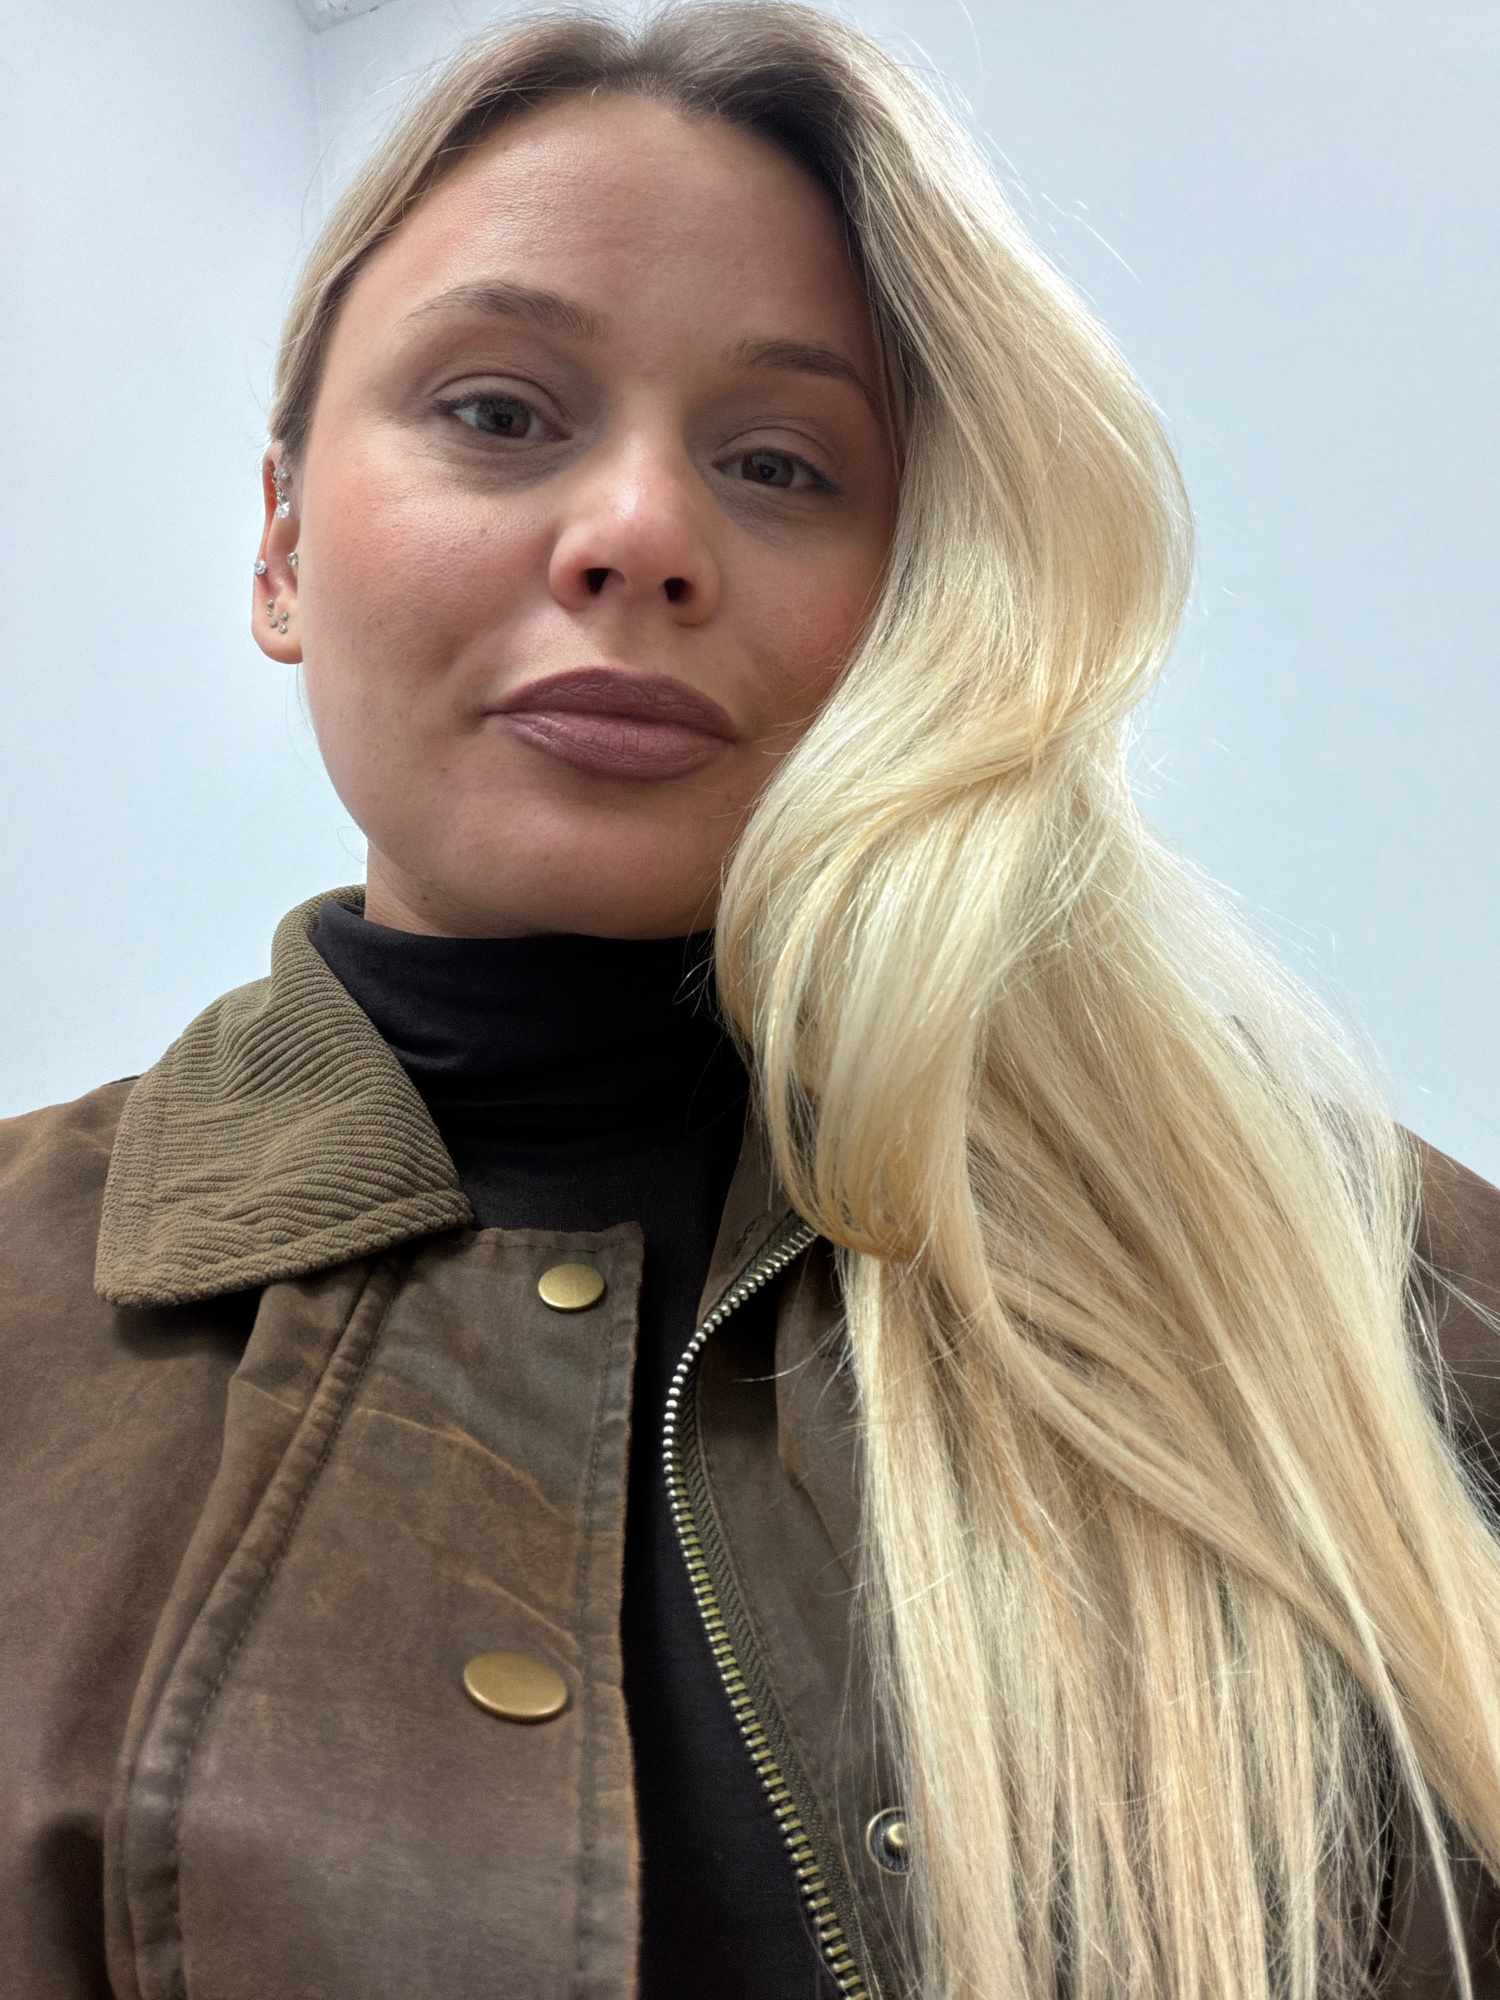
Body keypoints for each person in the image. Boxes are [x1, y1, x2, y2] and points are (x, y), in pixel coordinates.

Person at [2, 6, 1498, 1997]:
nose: (638, 536)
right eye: (498, 413)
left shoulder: (1366, 1281)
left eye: (783, 462)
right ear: (280, 544)